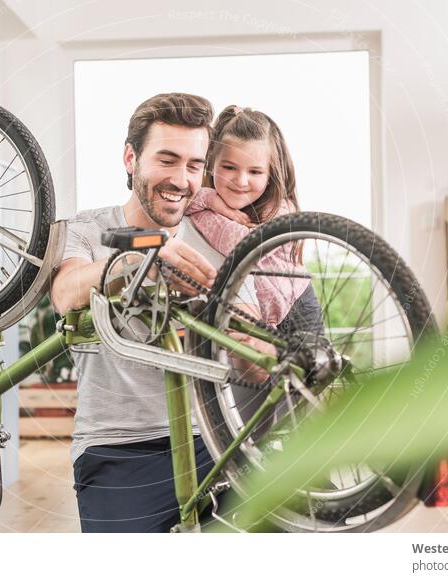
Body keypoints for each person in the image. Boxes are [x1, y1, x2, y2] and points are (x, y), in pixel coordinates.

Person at [51, 93, 253, 532]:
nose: (181, 179)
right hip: (116, 450)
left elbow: (251, 368)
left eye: (194, 165)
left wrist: (246, 337)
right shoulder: (87, 229)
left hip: (209, 441)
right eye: (167, 159)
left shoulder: (218, 240)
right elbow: (66, 292)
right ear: (131, 158)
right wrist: (143, 260)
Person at [184, 105, 323, 336]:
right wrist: (214, 202)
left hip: (298, 308)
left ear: (271, 175)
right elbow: (187, 199)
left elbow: (245, 246)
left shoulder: (280, 208)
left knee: (317, 370)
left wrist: (207, 211)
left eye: (255, 172)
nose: (241, 180)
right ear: (210, 164)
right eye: (229, 167)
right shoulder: (207, 203)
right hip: (253, 317)